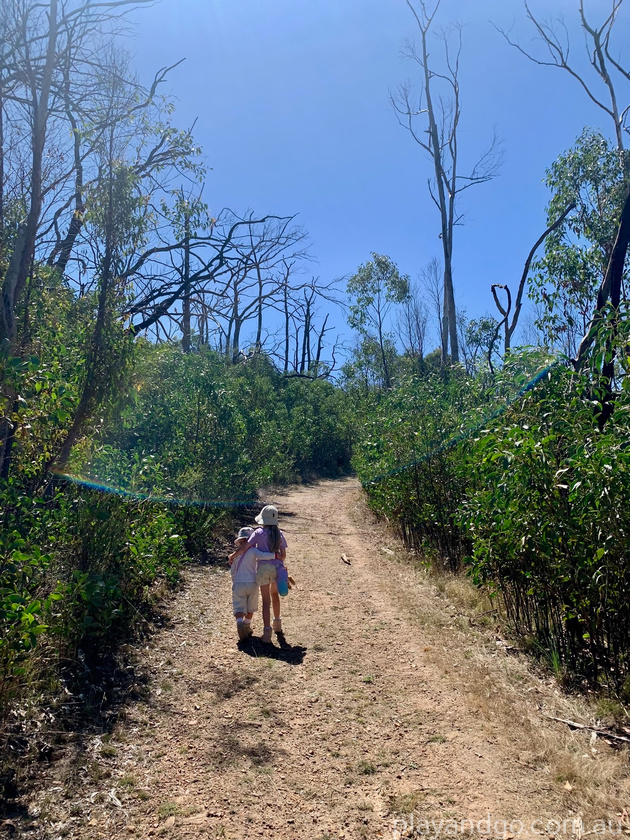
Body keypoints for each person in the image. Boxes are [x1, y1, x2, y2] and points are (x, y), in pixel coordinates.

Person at [229, 505, 288, 644]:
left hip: (262, 570)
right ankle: (277, 625)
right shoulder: (279, 534)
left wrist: (233, 555)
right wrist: (276, 557)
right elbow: (283, 556)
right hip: (276, 569)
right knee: (275, 596)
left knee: (266, 601)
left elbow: (245, 547)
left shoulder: (258, 533)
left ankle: (267, 634)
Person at [228, 526, 275, 642]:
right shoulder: (254, 551)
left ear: (240, 541)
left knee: (239, 607)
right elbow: (264, 555)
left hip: (239, 583)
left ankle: (239, 622)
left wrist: (236, 581)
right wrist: (275, 555)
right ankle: (247, 625)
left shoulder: (236, 555)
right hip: (252, 583)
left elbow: (232, 572)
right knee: (251, 607)